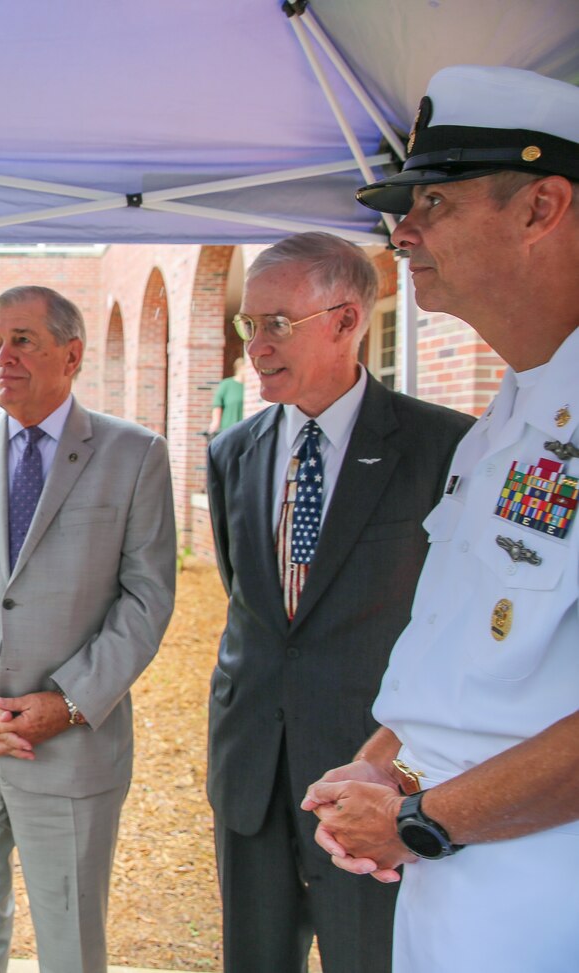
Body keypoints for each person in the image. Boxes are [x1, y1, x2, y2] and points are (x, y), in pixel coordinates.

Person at [300, 65, 579, 973]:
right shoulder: (506, 416)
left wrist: (419, 819)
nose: (403, 232)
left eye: (435, 203)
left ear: (543, 206)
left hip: (546, 887)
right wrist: (383, 763)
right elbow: (461, 650)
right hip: (448, 873)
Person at [204, 233, 472, 973]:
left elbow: (453, 619)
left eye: (277, 323)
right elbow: (252, 608)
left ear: (347, 319)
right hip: (252, 766)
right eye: (248, 325)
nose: (256, 345)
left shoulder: (444, 446)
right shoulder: (234, 450)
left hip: (375, 774)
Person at [0, 285, 176, 973]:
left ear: (72, 355)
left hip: (71, 751)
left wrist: (68, 702)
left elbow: (146, 600)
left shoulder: (134, 454)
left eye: (22, 339)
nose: (1, 356)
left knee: (72, 944)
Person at [206, 357, 245, 436]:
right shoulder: (227, 384)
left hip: (245, 430)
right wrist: (215, 422)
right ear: (241, 368)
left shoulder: (250, 388)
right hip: (228, 429)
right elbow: (217, 404)